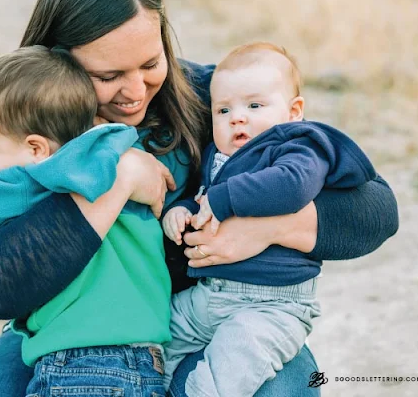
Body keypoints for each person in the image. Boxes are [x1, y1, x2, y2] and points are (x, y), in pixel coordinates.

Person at [0, 0, 398, 397]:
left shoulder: (216, 104)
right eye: (108, 76)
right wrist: (118, 181)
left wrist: (271, 227)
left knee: (282, 384)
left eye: (150, 63)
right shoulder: (17, 128)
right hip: (63, 338)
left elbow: (376, 209)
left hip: (215, 322)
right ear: (57, 59)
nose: (135, 91)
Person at [0, 45, 176, 395]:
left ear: (36, 149)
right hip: (142, 361)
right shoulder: (118, 153)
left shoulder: (36, 181)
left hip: (81, 366)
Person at [161, 42, 377, 396]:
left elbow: (292, 187)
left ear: (294, 111)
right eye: (224, 110)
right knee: (156, 341)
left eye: (255, 105)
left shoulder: (298, 147)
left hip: (270, 306)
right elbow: (203, 197)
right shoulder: (219, 155)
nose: (237, 117)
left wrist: (223, 199)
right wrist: (180, 211)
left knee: (224, 375)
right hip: (209, 296)